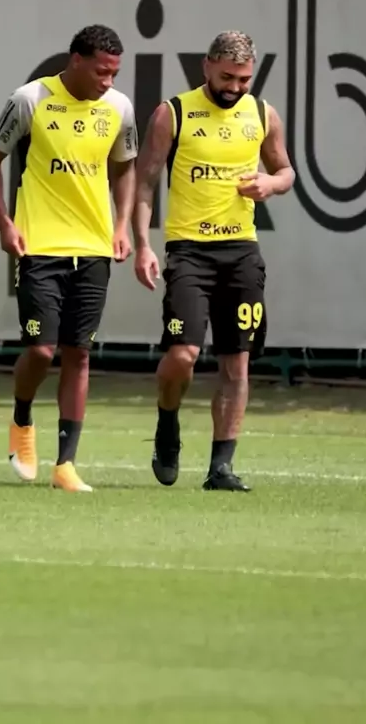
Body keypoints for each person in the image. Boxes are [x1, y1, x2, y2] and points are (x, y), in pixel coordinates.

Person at [133, 30, 295, 492]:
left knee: (237, 363)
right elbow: (145, 182)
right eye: (227, 77)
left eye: (244, 79)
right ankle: (167, 421)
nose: (235, 87)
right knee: (182, 354)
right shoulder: (173, 113)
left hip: (242, 251)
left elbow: (286, 171)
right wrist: (142, 244)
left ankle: (220, 467)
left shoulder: (262, 114)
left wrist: (271, 184)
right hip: (189, 252)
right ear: (206, 66)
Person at [0, 25, 137, 493]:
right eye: (101, 71)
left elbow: (124, 168)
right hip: (40, 246)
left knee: (79, 353)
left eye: (114, 73)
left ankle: (65, 465)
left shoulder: (119, 108)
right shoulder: (30, 99)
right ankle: (22, 417)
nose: (108, 81)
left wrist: (122, 225)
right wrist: (4, 223)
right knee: (41, 350)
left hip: (94, 248)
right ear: (76, 61)